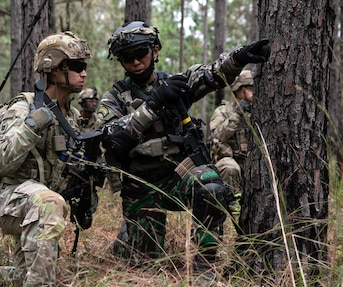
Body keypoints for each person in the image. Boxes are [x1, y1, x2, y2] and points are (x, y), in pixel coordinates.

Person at [98, 21, 270, 269]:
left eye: (140, 54)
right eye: (126, 57)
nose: (135, 62)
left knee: (212, 188)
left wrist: (240, 56)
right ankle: (127, 237)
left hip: (178, 175)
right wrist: (152, 106)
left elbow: (213, 74)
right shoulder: (113, 98)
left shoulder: (176, 84)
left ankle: (203, 266)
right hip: (140, 185)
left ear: (155, 50)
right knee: (144, 263)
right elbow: (113, 141)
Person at [0, 31, 99, 286]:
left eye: (84, 66)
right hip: (6, 196)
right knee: (49, 204)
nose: (84, 73)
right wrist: (33, 126)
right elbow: (0, 161)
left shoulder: (73, 115)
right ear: (53, 70)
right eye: (77, 67)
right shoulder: (24, 107)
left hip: (36, 200)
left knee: (24, 276)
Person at [208, 70, 254, 215]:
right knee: (230, 167)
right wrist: (238, 114)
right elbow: (218, 136)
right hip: (230, 162)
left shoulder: (261, 110)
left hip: (253, 163)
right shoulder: (224, 111)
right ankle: (234, 214)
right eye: (250, 88)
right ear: (239, 90)